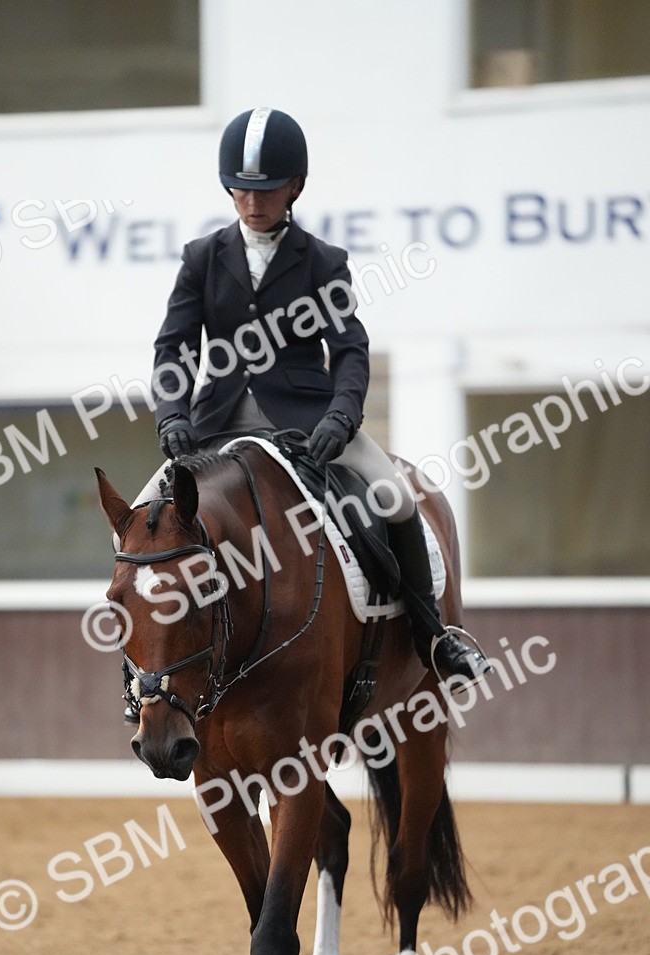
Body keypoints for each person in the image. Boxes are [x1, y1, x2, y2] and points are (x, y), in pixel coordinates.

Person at [137, 106, 491, 691]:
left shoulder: (324, 262)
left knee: (396, 496)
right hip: (215, 425)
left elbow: (351, 350)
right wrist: (172, 415)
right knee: (139, 524)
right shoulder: (202, 259)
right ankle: (142, 673)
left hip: (307, 424)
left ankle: (433, 637)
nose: (254, 202)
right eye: (242, 190)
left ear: (295, 186)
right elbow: (173, 348)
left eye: (268, 189)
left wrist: (341, 416)